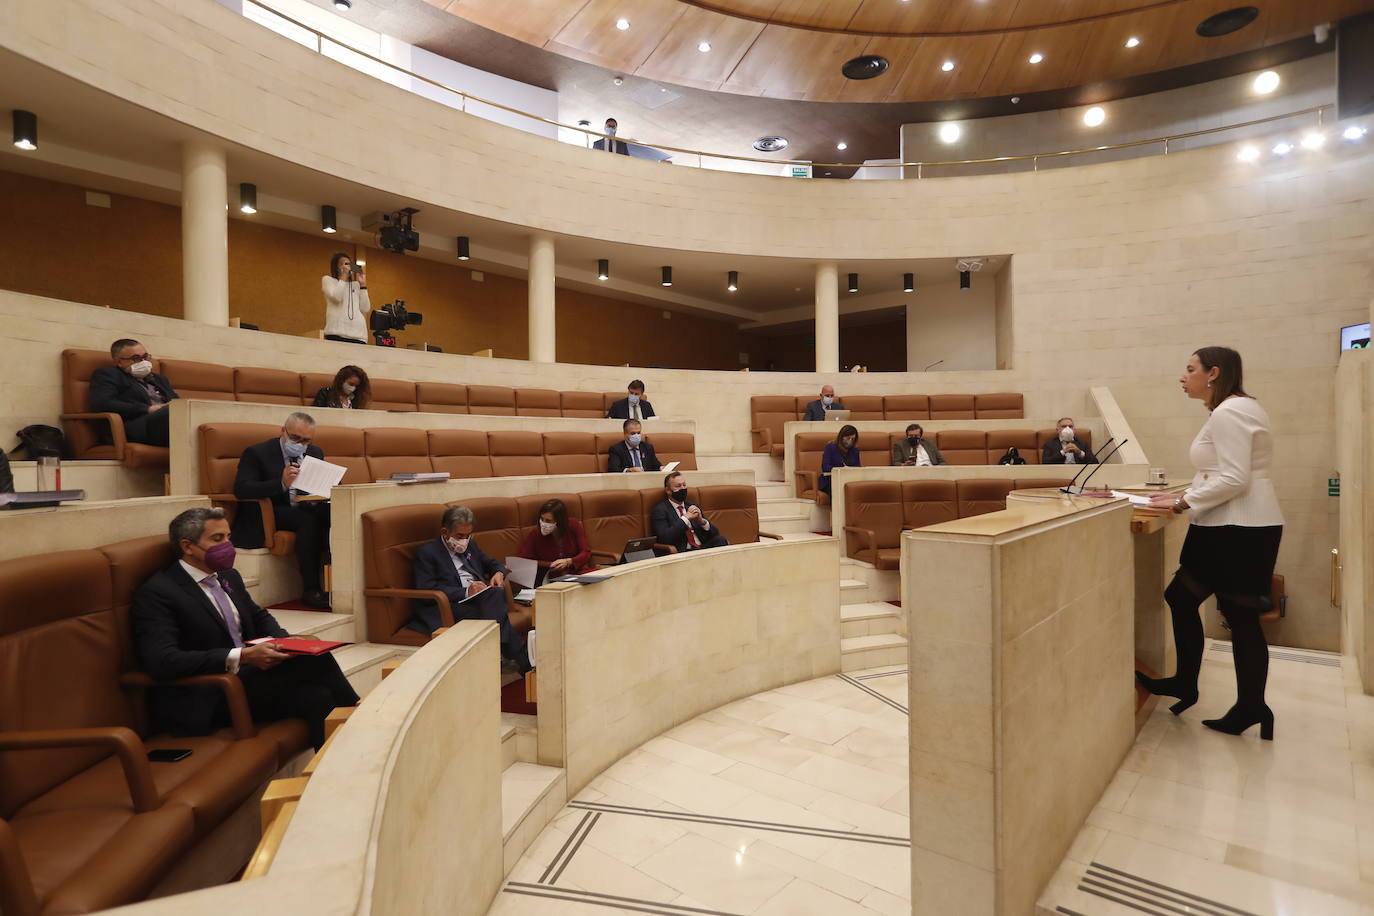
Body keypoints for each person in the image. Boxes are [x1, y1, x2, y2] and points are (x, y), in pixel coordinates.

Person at [1137, 347, 1283, 740]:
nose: (1183, 377)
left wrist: (1184, 501)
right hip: (1241, 523)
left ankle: (1243, 703)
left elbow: (1235, 478)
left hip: (1235, 527)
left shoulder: (1229, 412)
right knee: (1197, 602)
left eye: (1190, 370)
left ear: (1214, 373)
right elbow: (1224, 472)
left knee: (1231, 613)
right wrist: (1184, 495)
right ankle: (1212, 691)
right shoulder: (1242, 408)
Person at [132, 507, 358, 749]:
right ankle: (363, 722)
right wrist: (243, 657)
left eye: (229, 537)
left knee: (318, 697)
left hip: (250, 681)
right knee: (315, 660)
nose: (228, 546)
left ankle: (335, 774)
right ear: (187, 546)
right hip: (212, 692)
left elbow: (258, 616)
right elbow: (163, 661)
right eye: (218, 539)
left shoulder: (228, 575)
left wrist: (284, 643)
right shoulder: (159, 593)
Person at [408, 505, 531, 671]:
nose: (464, 540)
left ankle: (500, 653)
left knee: (494, 593)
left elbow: (492, 563)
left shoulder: (471, 546)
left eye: (467, 535)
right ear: (445, 532)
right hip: (449, 605)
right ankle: (521, 663)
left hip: (479, 601)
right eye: (459, 536)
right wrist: (466, 591)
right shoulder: (428, 553)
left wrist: (498, 573)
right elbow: (426, 588)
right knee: (494, 608)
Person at [230, 412, 331, 609]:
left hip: (305, 506)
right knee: (307, 521)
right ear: (282, 431)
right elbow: (242, 489)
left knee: (334, 516)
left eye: (305, 440)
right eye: (295, 438)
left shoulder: (315, 452)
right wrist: (281, 483)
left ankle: (341, 585)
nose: (300, 444)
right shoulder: (257, 452)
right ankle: (311, 589)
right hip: (271, 511)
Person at [89, 338, 178, 447]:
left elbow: (176, 401)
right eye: (136, 358)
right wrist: (147, 409)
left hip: (166, 423)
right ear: (119, 362)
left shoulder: (159, 379)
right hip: (136, 425)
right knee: (170, 414)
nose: (143, 362)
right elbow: (103, 403)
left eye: (145, 357)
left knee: (189, 411)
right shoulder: (108, 374)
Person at [651, 472, 728, 552]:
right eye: (678, 486)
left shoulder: (692, 505)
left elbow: (715, 533)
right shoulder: (660, 510)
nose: (683, 488)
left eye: (684, 485)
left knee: (721, 540)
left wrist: (702, 521)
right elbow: (665, 538)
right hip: (683, 550)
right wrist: (685, 518)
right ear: (668, 490)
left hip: (701, 548)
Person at [516, 498, 594, 575]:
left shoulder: (573, 525)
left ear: (560, 521)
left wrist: (569, 561)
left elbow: (585, 552)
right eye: (542, 519)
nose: (543, 523)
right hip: (552, 576)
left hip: (577, 571)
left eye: (548, 520)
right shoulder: (535, 533)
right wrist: (550, 564)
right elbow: (523, 560)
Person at [322, 252, 371, 344]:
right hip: (336, 332)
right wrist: (343, 277)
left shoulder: (356, 285)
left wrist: (363, 285)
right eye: (344, 264)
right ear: (336, 267)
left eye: (349, 264)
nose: (347, 267)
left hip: (359, 334)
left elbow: (365, 308)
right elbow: (337, 297)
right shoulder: (328, 280)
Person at [819, 424, 862, 496]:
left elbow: (858, 467)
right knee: (841, 490)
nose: (850, 441)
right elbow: (825, 467)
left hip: (849, 480)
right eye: (848, 438)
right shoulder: (830, 447)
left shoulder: (855, 451)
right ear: (841, 437)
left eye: (853, 439)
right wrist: (841, 470)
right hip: (831, 480)